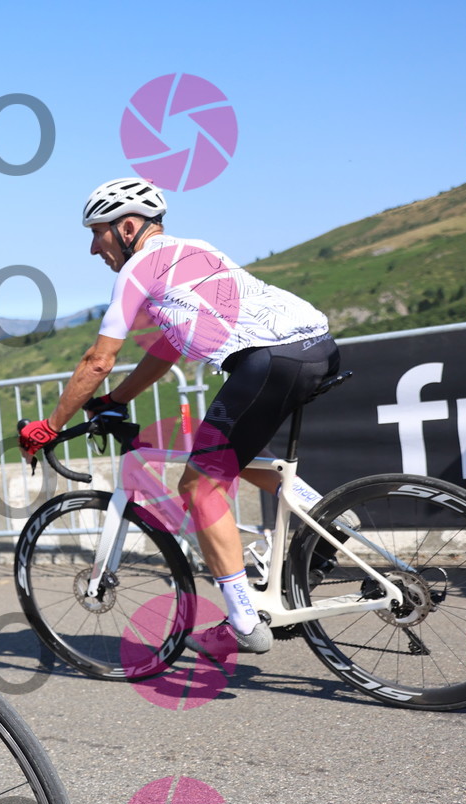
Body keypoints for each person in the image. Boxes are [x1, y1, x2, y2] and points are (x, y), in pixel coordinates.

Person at [17, 177, 338, 659]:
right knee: (228, 457)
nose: (93, 248)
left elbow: (97, 361)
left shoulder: (136, 271)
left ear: (127, 228)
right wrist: (116, 399)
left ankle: (243, 623)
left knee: (199, 485)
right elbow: (167, 348)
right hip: (316, 347)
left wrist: (50, 426)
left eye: (98, 233)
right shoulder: (196, 251)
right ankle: (329, 513)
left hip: (268, 362)